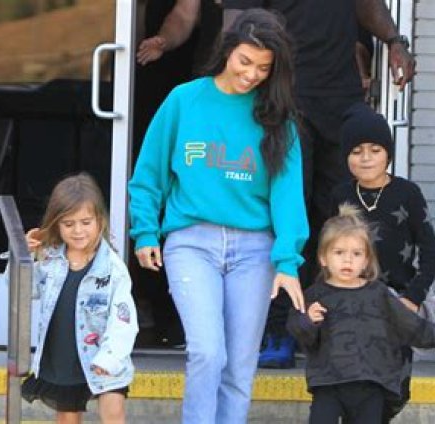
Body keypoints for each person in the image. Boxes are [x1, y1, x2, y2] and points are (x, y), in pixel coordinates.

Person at [128, 9, 309, 423]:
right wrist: (145, 231)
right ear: (228, 50)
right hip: (192, 243)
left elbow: (287, 197)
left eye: (263, 68)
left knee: (240, 367)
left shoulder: (278, 118)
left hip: (255, 250)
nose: (252, 75)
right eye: (245, 61)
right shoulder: (184, 100)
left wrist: (287, 261)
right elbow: (149, 174)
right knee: (208, 351)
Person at [222, 0, 417, 370]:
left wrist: (394, 40)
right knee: (285, 215)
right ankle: (279, 329)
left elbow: (366, 5)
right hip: (284, 101)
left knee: (340, 220)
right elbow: (235, 27)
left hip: (340, 100)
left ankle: (334, 327)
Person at [287, 204, 435, 424]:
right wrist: (308, 320)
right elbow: (296, 330)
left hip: (372, 382)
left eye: (356, 253)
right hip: (328, 382)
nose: (348, 260)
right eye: (339, 252)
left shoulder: (378, 293)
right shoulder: (315, 295)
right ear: (323, 258)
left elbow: (407, 322)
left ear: (366, 260)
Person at [330, 104, 435, 422]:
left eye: (375, 150)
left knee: (396, 390)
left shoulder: (407, 193)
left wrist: (412, 299)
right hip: (351, 306)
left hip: (396, 306)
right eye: (356, 151)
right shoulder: (339, 194)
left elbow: (431, 255)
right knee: (355, 385)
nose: (366, 158)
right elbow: (326, 252)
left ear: (388, 154)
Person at [18, 173, 138, 424]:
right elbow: (22, 289)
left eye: (86, 222)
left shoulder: (112, 268)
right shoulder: (50, 259)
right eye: (68, 224)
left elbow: (124, 319)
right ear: (56, 225)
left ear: (100, 220)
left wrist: (110, 357)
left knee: (113, 408)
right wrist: (23, 256)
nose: (78, 231)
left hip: (104, 352)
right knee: (67, 416)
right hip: (64, 352)